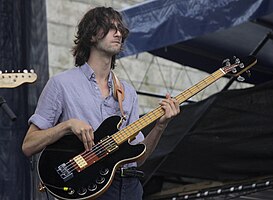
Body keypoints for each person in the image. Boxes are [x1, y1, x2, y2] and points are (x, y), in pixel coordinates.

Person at [22, 6, 180, 200]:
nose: (119, 33)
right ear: (91, 35)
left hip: (129, 188)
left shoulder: (127, 92)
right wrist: (67, 126)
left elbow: (138, 158)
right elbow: (28, 146)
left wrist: (160, 126)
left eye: (120, 29)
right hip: (86, 187)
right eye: (110, 27)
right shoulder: (61, 84)